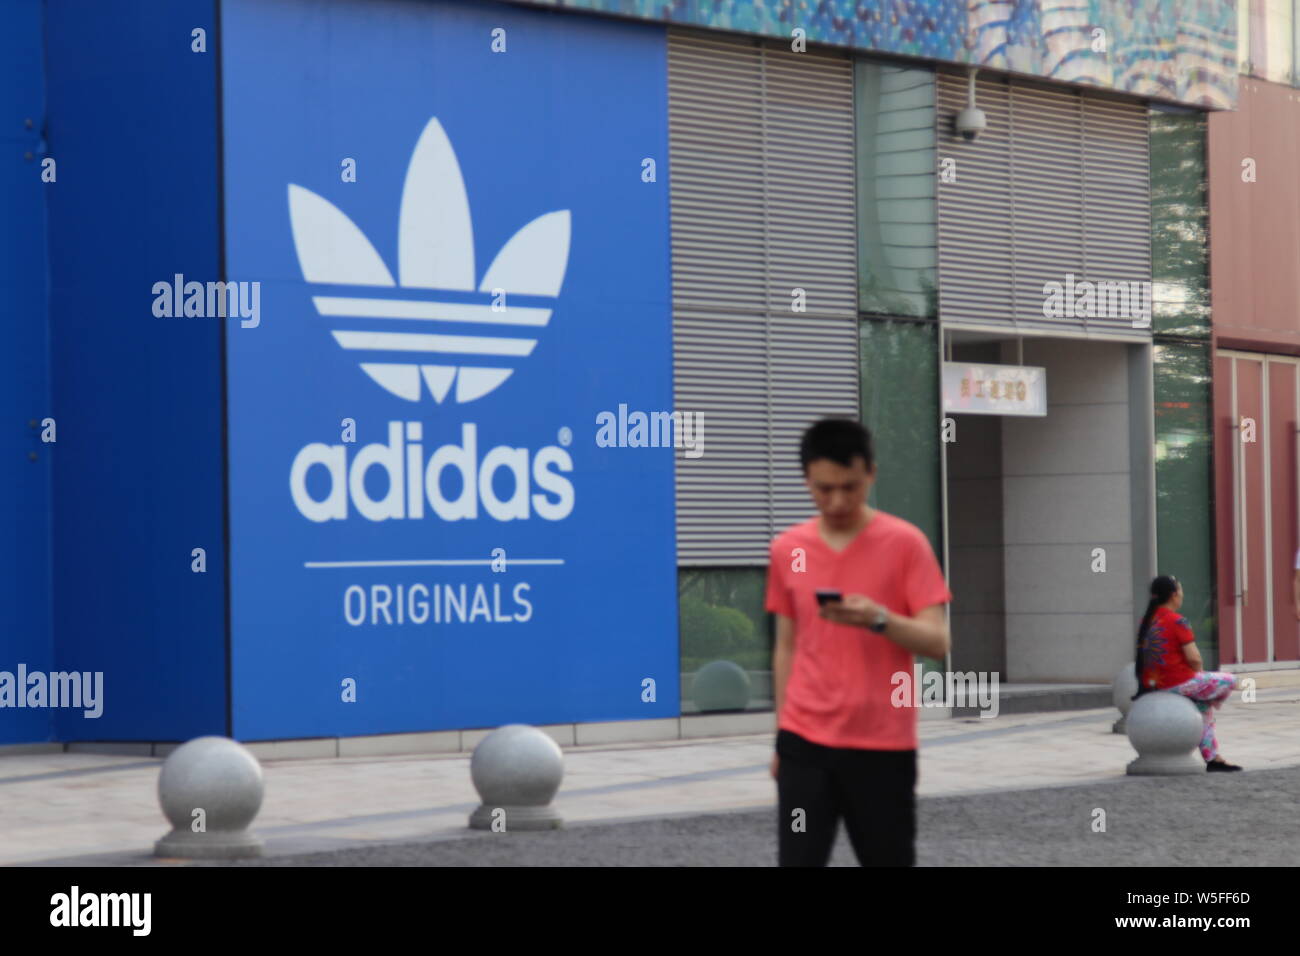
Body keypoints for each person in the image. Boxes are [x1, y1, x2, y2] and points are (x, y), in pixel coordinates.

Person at [764, 417, 952, 866]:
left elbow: (939, 642)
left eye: (850, 486)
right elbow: (787, 647)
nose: (837, 500)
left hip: (883, 747)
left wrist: (879, 618)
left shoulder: (906, 544)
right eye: (823, 488)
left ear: (871, 472)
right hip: (804, 745)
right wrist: (780, 740)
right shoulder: (788, 548)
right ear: (806, 479)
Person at [1133, 574, 1242, 772]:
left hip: (1153, 684)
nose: (1182, 595)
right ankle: (1212, 698)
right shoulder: (1177, 621)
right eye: (1181, 590)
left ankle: (1213, 759)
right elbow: (1194, 659)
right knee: (1231, 680)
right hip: (1179, 683)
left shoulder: (1145, 621)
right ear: (1174, 595)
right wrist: (1199, 676)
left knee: (1204, 710)